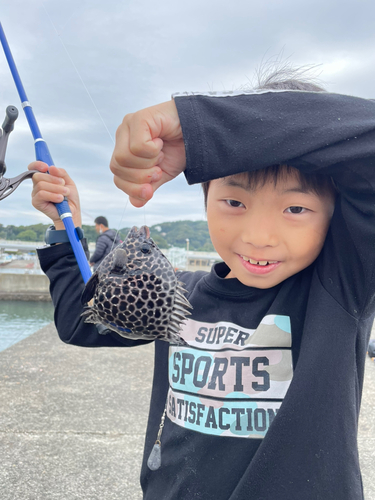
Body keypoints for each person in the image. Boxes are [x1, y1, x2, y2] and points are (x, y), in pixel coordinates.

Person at [29, 69, 375, 500]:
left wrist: (198, 127)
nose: (259, 236)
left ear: (335, 213)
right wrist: (66, 233)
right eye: (234, 202)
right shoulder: (178, 294)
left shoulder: (342, 290)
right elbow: (77, 321)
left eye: (296, 208)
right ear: (206, 197)